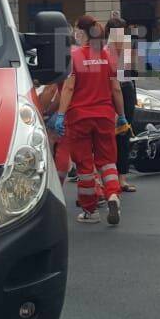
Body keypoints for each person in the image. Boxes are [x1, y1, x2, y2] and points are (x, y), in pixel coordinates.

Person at [55, 15, 129, 225]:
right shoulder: (107, 55)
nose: (75, 34)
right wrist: (121, 115)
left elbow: (68, 87)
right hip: (105, 116)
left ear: (82, 32)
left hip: (79, 118)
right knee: (107, 161)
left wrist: (60, 114)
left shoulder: (75, 56)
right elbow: (116, 88)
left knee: (85, 165)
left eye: (77, 30)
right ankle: (113, 194)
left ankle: (90, 210)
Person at [106, 15, 138, 193]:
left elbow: (130, 71)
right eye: (117, 31)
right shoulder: (104, 49)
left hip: (126, 90)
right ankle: (109, 178)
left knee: (124, 135)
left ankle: (122, 178)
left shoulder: (126, 45)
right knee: (110, 136)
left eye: (123, 31)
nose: (121, 34)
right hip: (112, 91)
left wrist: (134, 93)